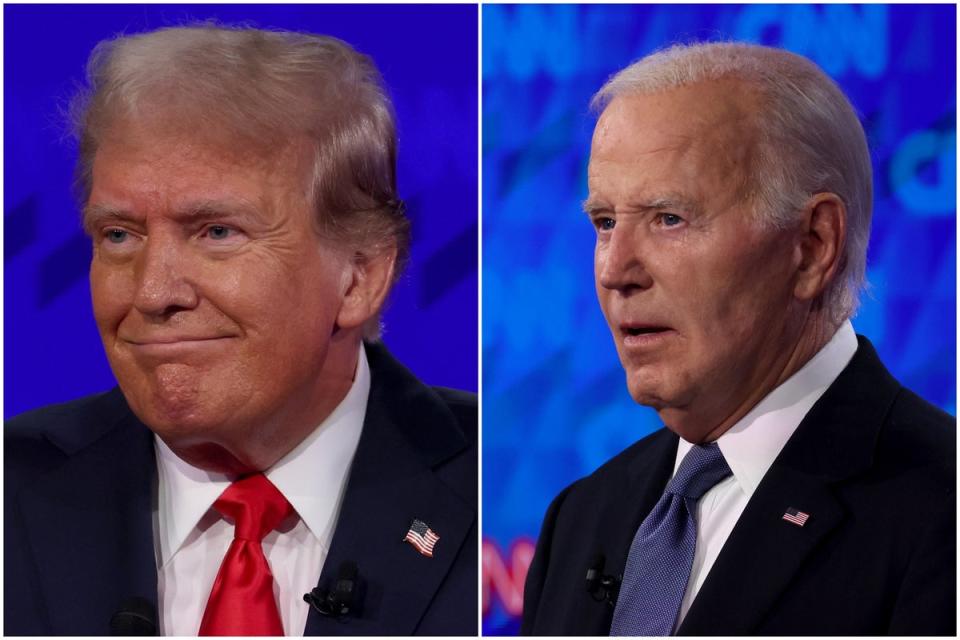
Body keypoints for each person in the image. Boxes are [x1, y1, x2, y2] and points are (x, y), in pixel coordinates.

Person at [5, 24, 477, 636]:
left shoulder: (503, 492)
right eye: (119, 235)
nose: (153, 293)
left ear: (359, 277)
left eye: (217, 233)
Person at [521, 41, 955, 636]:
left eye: (668, 219)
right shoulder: (582, 518)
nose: (614, 270)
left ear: (811, 247)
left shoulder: (939, 511)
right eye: (605, 223)